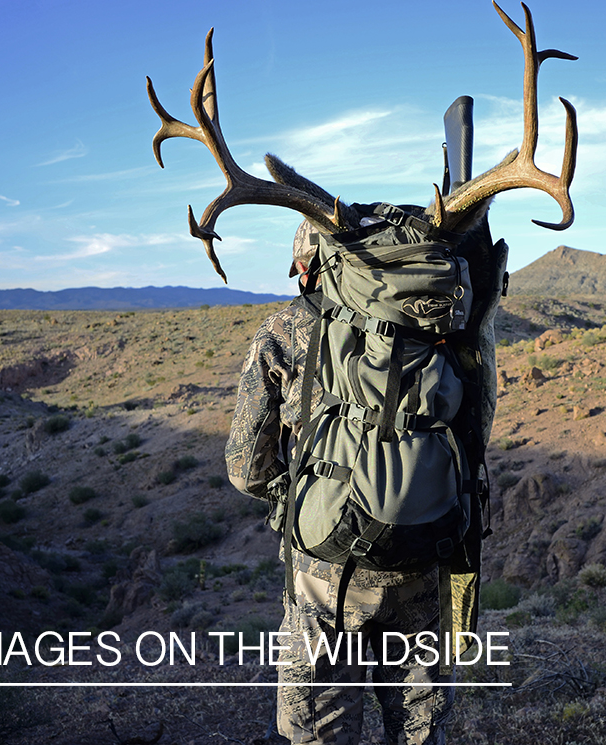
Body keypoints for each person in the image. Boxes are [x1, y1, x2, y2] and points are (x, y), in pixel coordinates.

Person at [226, 220, 453, 745]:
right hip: (424, 550)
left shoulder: (282, 331)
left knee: (319, 731)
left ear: (306, 267)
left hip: (325, 572)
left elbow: (245, 468)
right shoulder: (436, 325)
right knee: (419, 731)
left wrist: (303, 494)